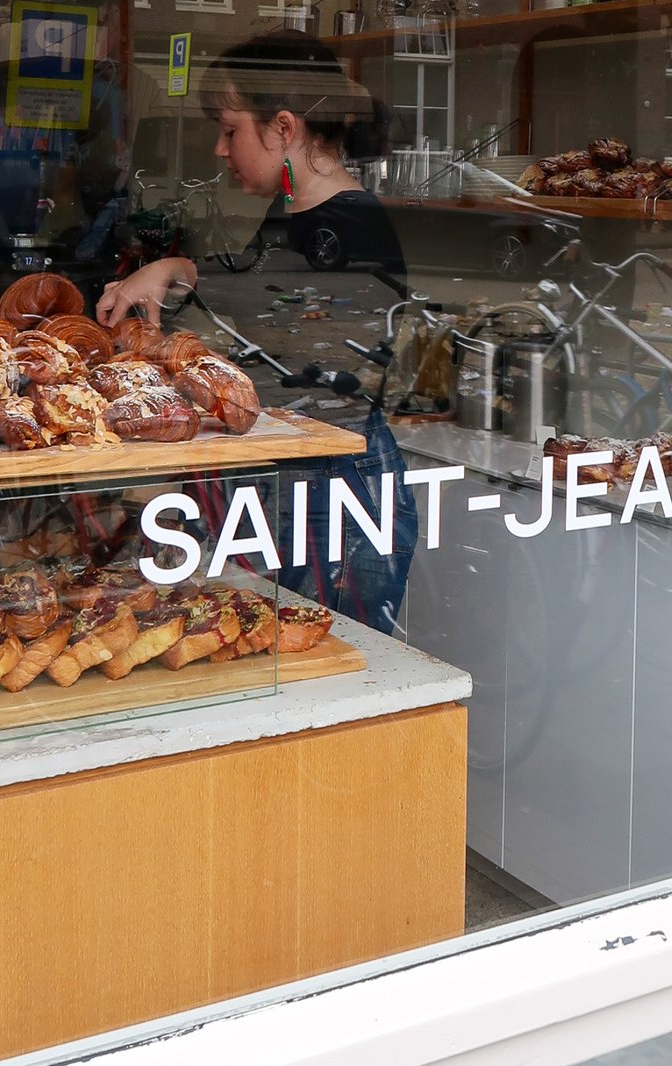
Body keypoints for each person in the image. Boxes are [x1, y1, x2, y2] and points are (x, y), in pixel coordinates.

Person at [96, 31, 416, 633]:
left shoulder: (350, 226)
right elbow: (256, 280)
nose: (219, 148)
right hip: (302, 479)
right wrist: (175, 271)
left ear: (285, 128)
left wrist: (179, 275)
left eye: (230, 129)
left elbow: (284, 315)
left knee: (329, 665)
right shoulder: (297, 210)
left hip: (338, 491)